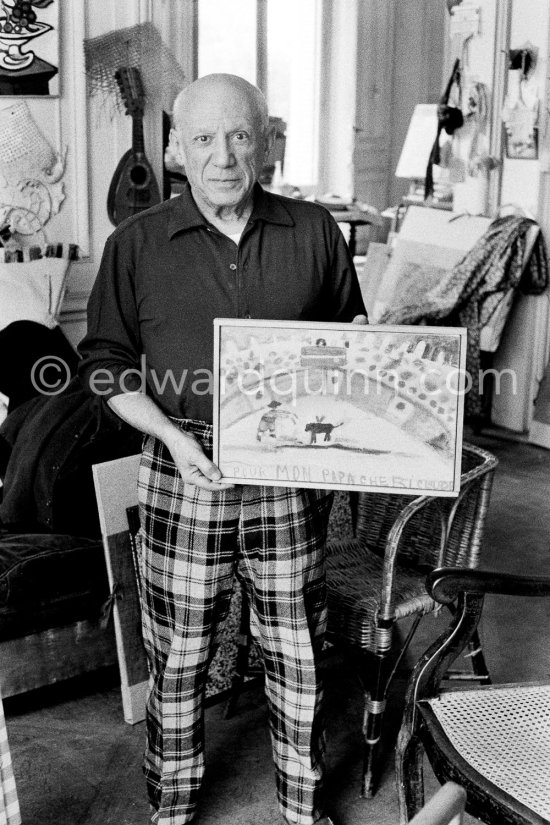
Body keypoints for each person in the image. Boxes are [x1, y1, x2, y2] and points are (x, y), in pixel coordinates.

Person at [79, 73, 367, 825]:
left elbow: (351, 340)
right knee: (177, 657)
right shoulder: (135, 244)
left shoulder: (314, 231)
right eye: (203, 138)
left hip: (287, 467)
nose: (223, 156)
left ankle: (304, 807)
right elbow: (105, 363)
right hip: (184, 466)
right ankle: (171, 808)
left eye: (240, 135)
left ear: (266, 141)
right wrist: (172, 437)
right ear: (175, 149)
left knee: (297, 649)